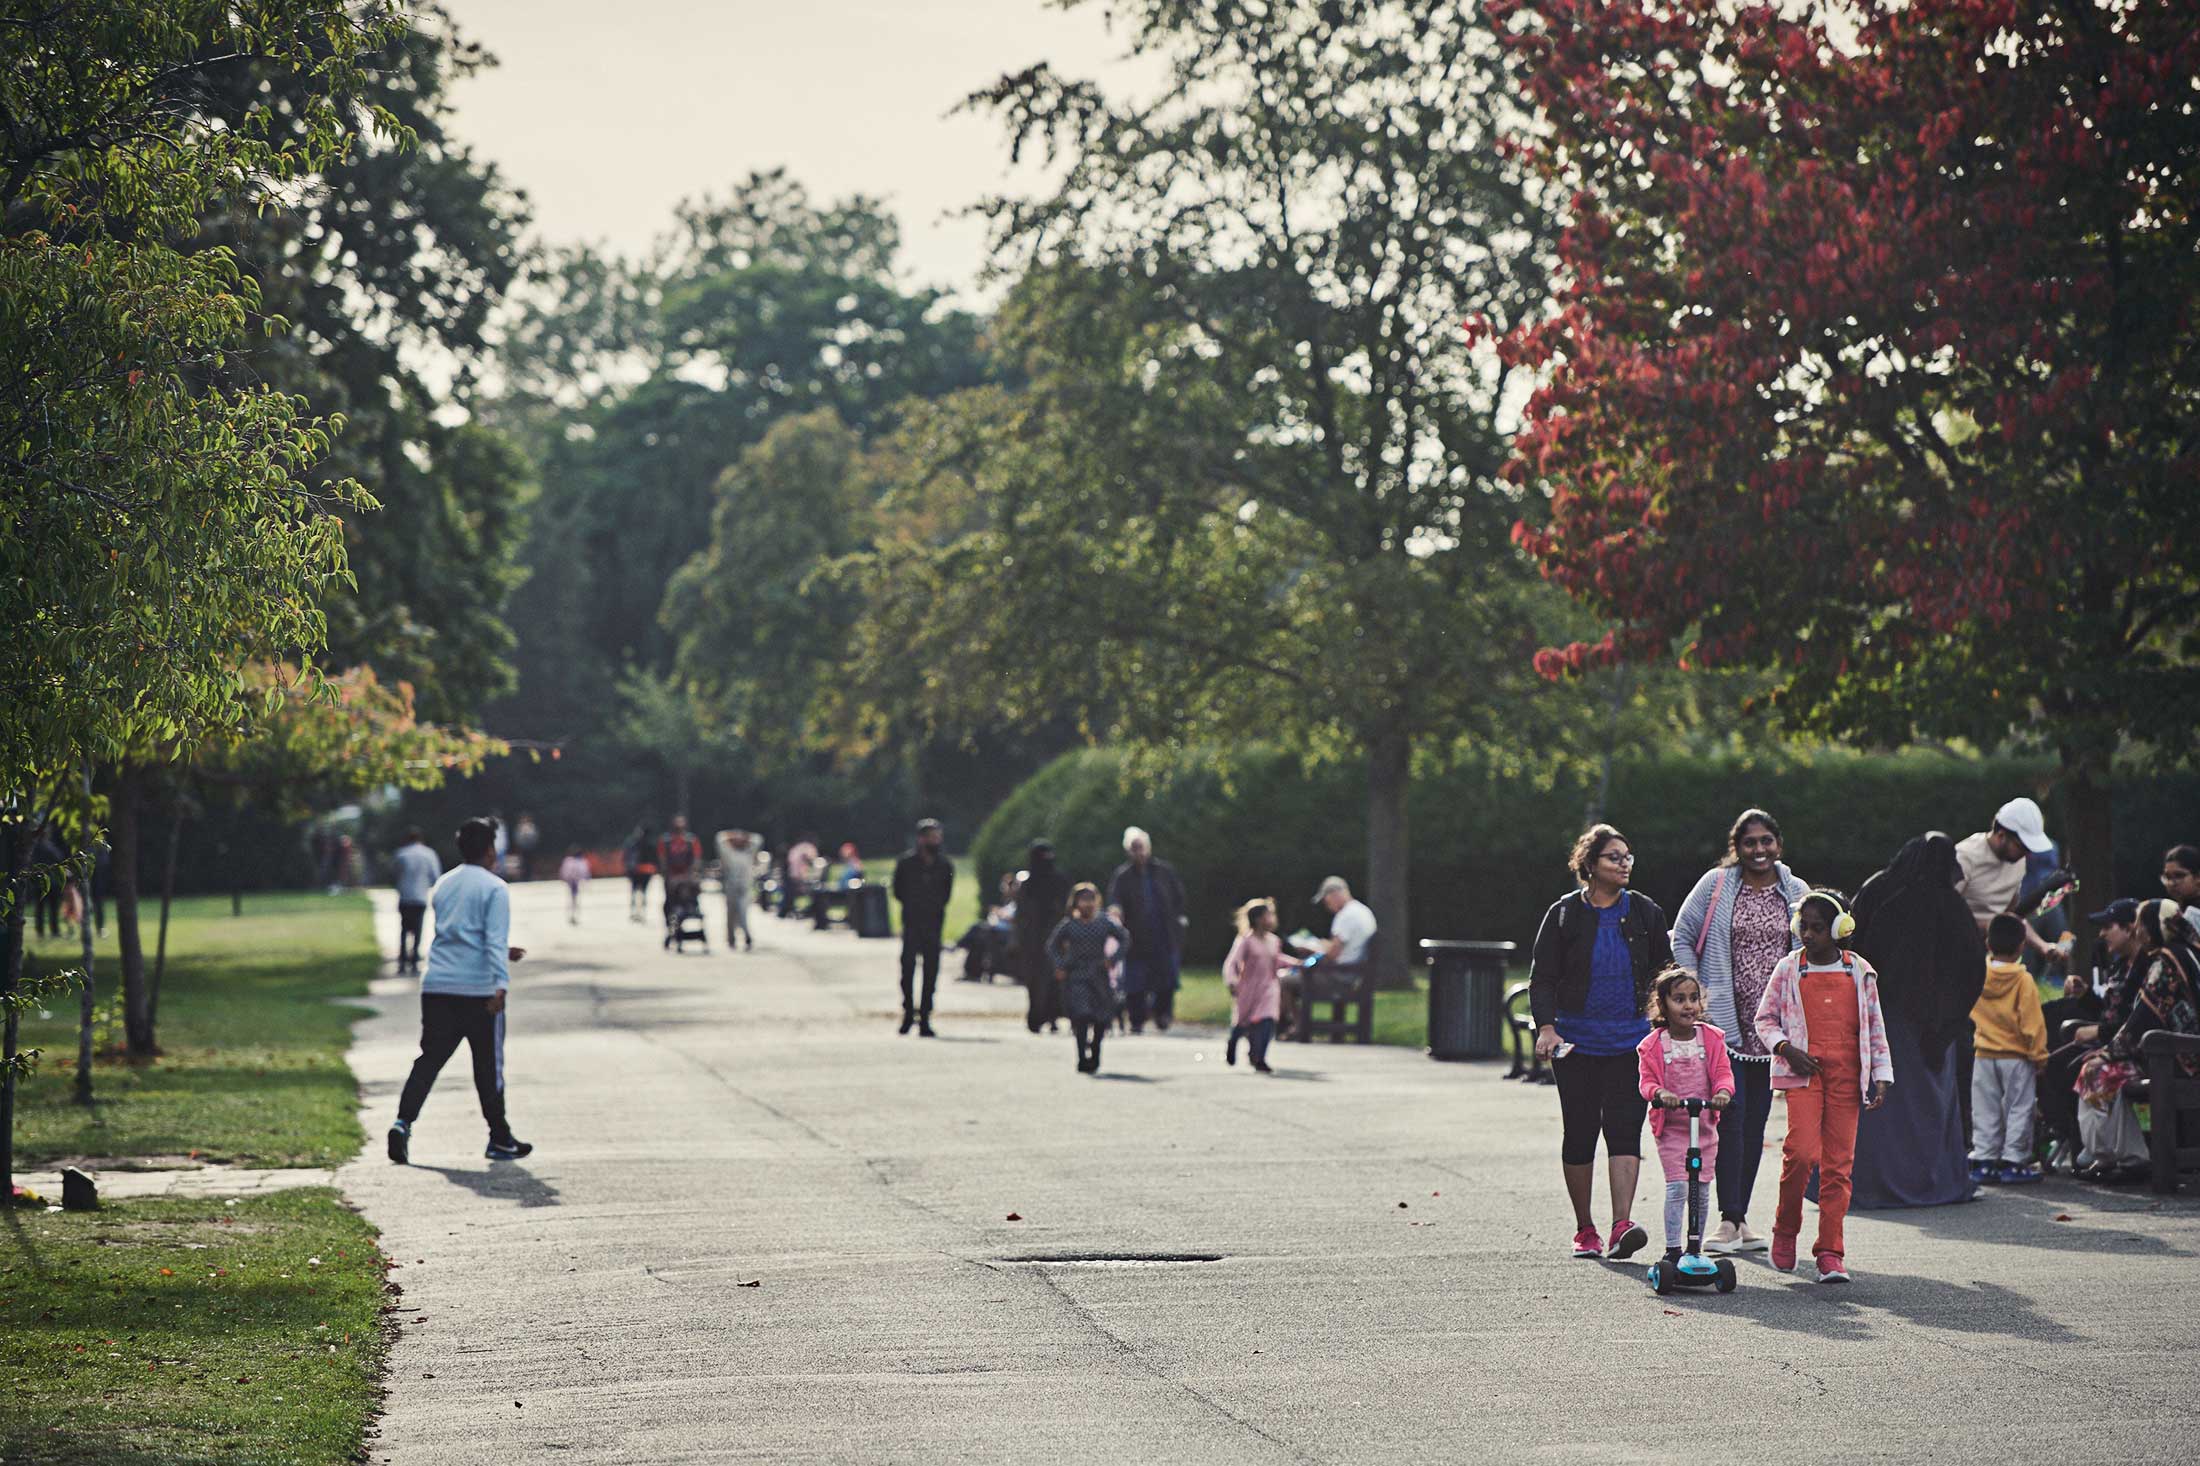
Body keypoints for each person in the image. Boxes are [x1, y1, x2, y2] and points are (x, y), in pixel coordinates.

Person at [1668, 807, 1808, 1253]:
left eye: (1767, 840)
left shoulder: (1797, 893)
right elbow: (1682, 935)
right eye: (1750, 842)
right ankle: (1727, 1220)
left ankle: (1739, 1217)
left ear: (1779, 845)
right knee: (1731, 1117)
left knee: (1755, 1123)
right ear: (1737, 847)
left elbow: (1813, 946)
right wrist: (1697, 989)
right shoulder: (1715, 886)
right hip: (1724, 1021)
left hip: (1774, 1028)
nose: (1759, 849)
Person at [1529, 824, 1670, 1262]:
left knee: (1626, 1130)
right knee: (1581, 1131)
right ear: (1589, 865)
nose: (1624, 863)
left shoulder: (1646, 912)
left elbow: (1664, 973)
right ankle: (1585, 1228)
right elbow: (1543, 977)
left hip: (1631, 1042)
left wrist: (1666, 1027)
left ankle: (1621, 1226)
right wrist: (1547, 1027)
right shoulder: (1564, 914)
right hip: (1575, 1042)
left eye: (1628, 856)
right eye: (1614, 857)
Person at [1754, 890, 1893, 1283]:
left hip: (1848, 1074)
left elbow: (1875, 1027)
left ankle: (1830, 1251)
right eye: (1804, 926)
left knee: (1838, 1166)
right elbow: (1764, 1020)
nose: (1808, 935)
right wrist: (1785, 1049)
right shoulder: (1788, 968)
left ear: (1839, 929)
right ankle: (1786, 1228)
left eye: (1818, 928)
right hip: (1803, 1073)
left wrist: (1881, 1074)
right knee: (1800, 1153)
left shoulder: (1860, 970)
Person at [1846, 832, 1986, 1209]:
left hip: (1883, 1015)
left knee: (1883, 1104)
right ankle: (1930, 1179)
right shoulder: (1950, 904)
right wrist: (1950, 1016)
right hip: (1932, 1028)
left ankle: (1872, 1182)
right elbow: (1972, 966)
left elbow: (1853, 944)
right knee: (1929, 1104)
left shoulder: (1880, 890)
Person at [388, 818, 531, 1164]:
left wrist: (501, 950)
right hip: (479, 990)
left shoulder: (444, 884)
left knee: (429, 1060)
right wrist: (501, 985)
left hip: (438, 985)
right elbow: (491, 938)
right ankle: (499, 1137)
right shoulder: (495, 888)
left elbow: (459, 933)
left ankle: (402, 1122)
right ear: (488, 850)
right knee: (488, 1066)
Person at [2077, 899, 2200, 1182]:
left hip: (2180, 1059)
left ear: (2157, 927)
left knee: (2099, 1071)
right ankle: (2122, 1154)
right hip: (2177, 1051)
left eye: (2142, 924)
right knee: (2108, 1074)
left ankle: (2122, 1158)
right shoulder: (2186, 952)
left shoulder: (2167, 961)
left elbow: (2143, 1018)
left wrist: (2107, 1054)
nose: (2137, 931)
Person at [1636, 968, 1734, 1263]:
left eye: (1693, 998)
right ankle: (1672, 1249)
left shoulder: (1712, 1038)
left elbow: (1723, 1074)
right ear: (1663, 1005)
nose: (1688, 1005)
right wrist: (1659, 1093)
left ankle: (1695, 1249)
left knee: (1702, 1189)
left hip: (1703, 1125)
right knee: (1679, 1186)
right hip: (1673, 1130)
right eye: (1679, 999)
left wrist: (1723, 1094)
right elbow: (1646, 1082)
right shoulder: (1653, 1044)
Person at [1968, 913, 2049, 1184]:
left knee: (1984, 1108)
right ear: (2022, 946)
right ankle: (2013, 1161)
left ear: (1988, 943)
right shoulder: (2022, 980)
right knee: (2019, 1108)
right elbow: (2032, 1023)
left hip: (1983, 1053)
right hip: (2016, 1056)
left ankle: (1984, 1159)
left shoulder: (1978, 974)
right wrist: (2039, 1055)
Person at [1106, 827, 1189, 1033]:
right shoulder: (1122, 876)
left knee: (1167, 978)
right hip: (1136, 936)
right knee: (1135, 981)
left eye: (1141, 848)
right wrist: (1116, 910)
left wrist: (1178, 920)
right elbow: (1115, 899)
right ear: (1128, 851)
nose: (1139, 853)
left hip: (1164, 933)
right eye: (1134, 849)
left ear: (1148, 848)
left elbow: (1179, 897)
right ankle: (1137, 1019)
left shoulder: (1164, 871)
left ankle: (1163, 1014)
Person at [1953, 798, 2056, 954]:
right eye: (2022, 847)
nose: (2026, 855)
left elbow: (2011, 918)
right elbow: (1940, 913)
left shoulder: (2017, 861)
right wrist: (1990, 925)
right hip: (1953, 953)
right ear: (2001, 835)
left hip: (1990, 959)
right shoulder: (1964, 857)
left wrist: (2044, 947)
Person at [1048, 883, 1129, 1074]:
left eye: (1091, 899)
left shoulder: (1104, 923)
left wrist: (1113, 960)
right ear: (1075, 903)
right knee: (1082, 1016)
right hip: (1076, 975)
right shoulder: (1069, 925)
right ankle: (1081, 1057)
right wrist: (1059, 965)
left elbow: (1124, 938)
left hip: (1098, 975)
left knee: (1101, 1018)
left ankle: (1095, 1050)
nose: (1087, 904)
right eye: (1083, 900)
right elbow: (1052, 946)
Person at [1280, 876, 1379, 1032]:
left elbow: (1332, 955)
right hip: (1353, 975)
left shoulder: (1345, 916)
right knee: (1293, 976)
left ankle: (1297, 1026)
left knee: (1284, 981)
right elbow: (1341, 945)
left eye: (1327, 901)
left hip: (1339, 977)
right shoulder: (1363, 911)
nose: (1327, 906)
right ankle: (1295, 1026)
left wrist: (1312, 949)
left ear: (1335, 894)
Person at [891, 819, 954, 1036]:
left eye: (938, 836)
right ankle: (908, 1013)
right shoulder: (906, 863)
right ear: (921, 839)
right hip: (912, 922)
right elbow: (898, 891)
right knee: (907, 969)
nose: (936, 841)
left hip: (933, 924)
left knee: (931, 971)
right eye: (932, 837)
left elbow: (946, 894)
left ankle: (925, 1016)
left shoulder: (945, 866)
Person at [1014, 840, 1073, 1034]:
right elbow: (1022, 913)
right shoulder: (1028, 884)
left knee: (1054, 979)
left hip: (1054, 936)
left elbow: (1066, 909)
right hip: (1033, 938)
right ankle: (1037, 1016)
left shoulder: (1060, 881)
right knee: (1035, 980)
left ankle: (1052, 1016)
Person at [1222, 899, 1288, 1073]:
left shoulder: (1274, 941)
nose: (1272, 919)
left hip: (1269, 986)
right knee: (1244, 1022)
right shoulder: (1246, 941)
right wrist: (1231, 981)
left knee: (1267, 1019)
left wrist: (1297, 963)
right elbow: (1232, 963)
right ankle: (1234, 1040)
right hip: (1249, 987)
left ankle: (1260, 1058)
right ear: (1258, 919)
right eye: (1268, 915)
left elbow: (1277, 959)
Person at [392, 827, 442, 975]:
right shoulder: (429, 854)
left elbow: (394, 873)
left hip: (405, 896)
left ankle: (402, 962)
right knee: (418, 928)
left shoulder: (401, 854)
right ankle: (414, 961)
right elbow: (435, 876)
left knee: (404, 929)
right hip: (420, 896)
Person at [714, 827, 760, 952]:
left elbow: (757, 839)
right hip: (731, 887)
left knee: (742, 912)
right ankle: (731, 939)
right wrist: (731, 836)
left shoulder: (748, 852)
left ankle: (747, 936)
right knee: (731, 915)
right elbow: (719, 838)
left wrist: (746, 836)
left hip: (745, 889)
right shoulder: (729, 853)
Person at [656, 816, 703, 934]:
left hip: (687, 876)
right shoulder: (666, 841)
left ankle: (691, 908)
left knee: (693, 891)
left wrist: (688, 875)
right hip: (671, 877)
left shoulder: (691, 841)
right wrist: (670, 876)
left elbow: (696, 860)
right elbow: (663, 861)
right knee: (670, 900)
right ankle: (670, 924)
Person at [2162, 844, 2200, 933]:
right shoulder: (2175, 914)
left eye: (2179, 875)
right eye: (2168, 877)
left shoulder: (2194, 914)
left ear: (2198, 877)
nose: (2171, 883)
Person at [782, 833, 819, 919]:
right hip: (801, 875)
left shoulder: (795, 849)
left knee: (792, 895)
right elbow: (811, 860)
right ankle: (809, 911)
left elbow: (790, 861)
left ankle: (793, 911)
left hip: (792, 874)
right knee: (809, 892)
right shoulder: (808, 848)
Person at [622, 825, 655, 923]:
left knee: (635, 892)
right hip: (645, 870)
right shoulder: (649, 843)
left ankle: (635, 913)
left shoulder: (632, 843)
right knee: (643, 893)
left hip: (637, 870)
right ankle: (641, 913)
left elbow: (626, 857)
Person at [557, 845, 590, 924]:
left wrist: (564, 878)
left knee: (573, 899)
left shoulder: (569, 860)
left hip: (571, 881)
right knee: (574, 899)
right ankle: (573, 916)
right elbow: (584, 872)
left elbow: (564, 871)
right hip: (574, 881)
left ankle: (573, 916)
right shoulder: (580, 861)